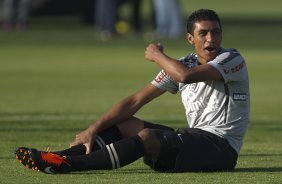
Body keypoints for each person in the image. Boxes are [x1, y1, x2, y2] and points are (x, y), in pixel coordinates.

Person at [15, 9, 250, 174]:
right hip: (194, 141)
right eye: (204, 33)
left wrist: (156, 55)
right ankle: (59, 156)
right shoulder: (182, 62)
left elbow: (184, 77)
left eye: (216, 32)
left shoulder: (231, 59)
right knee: (124, 123)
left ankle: (68, 165)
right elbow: (135, 101)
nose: (212, 38)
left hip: (220, 148)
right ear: (191, 38)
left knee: (148, 137)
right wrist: (93, 128)